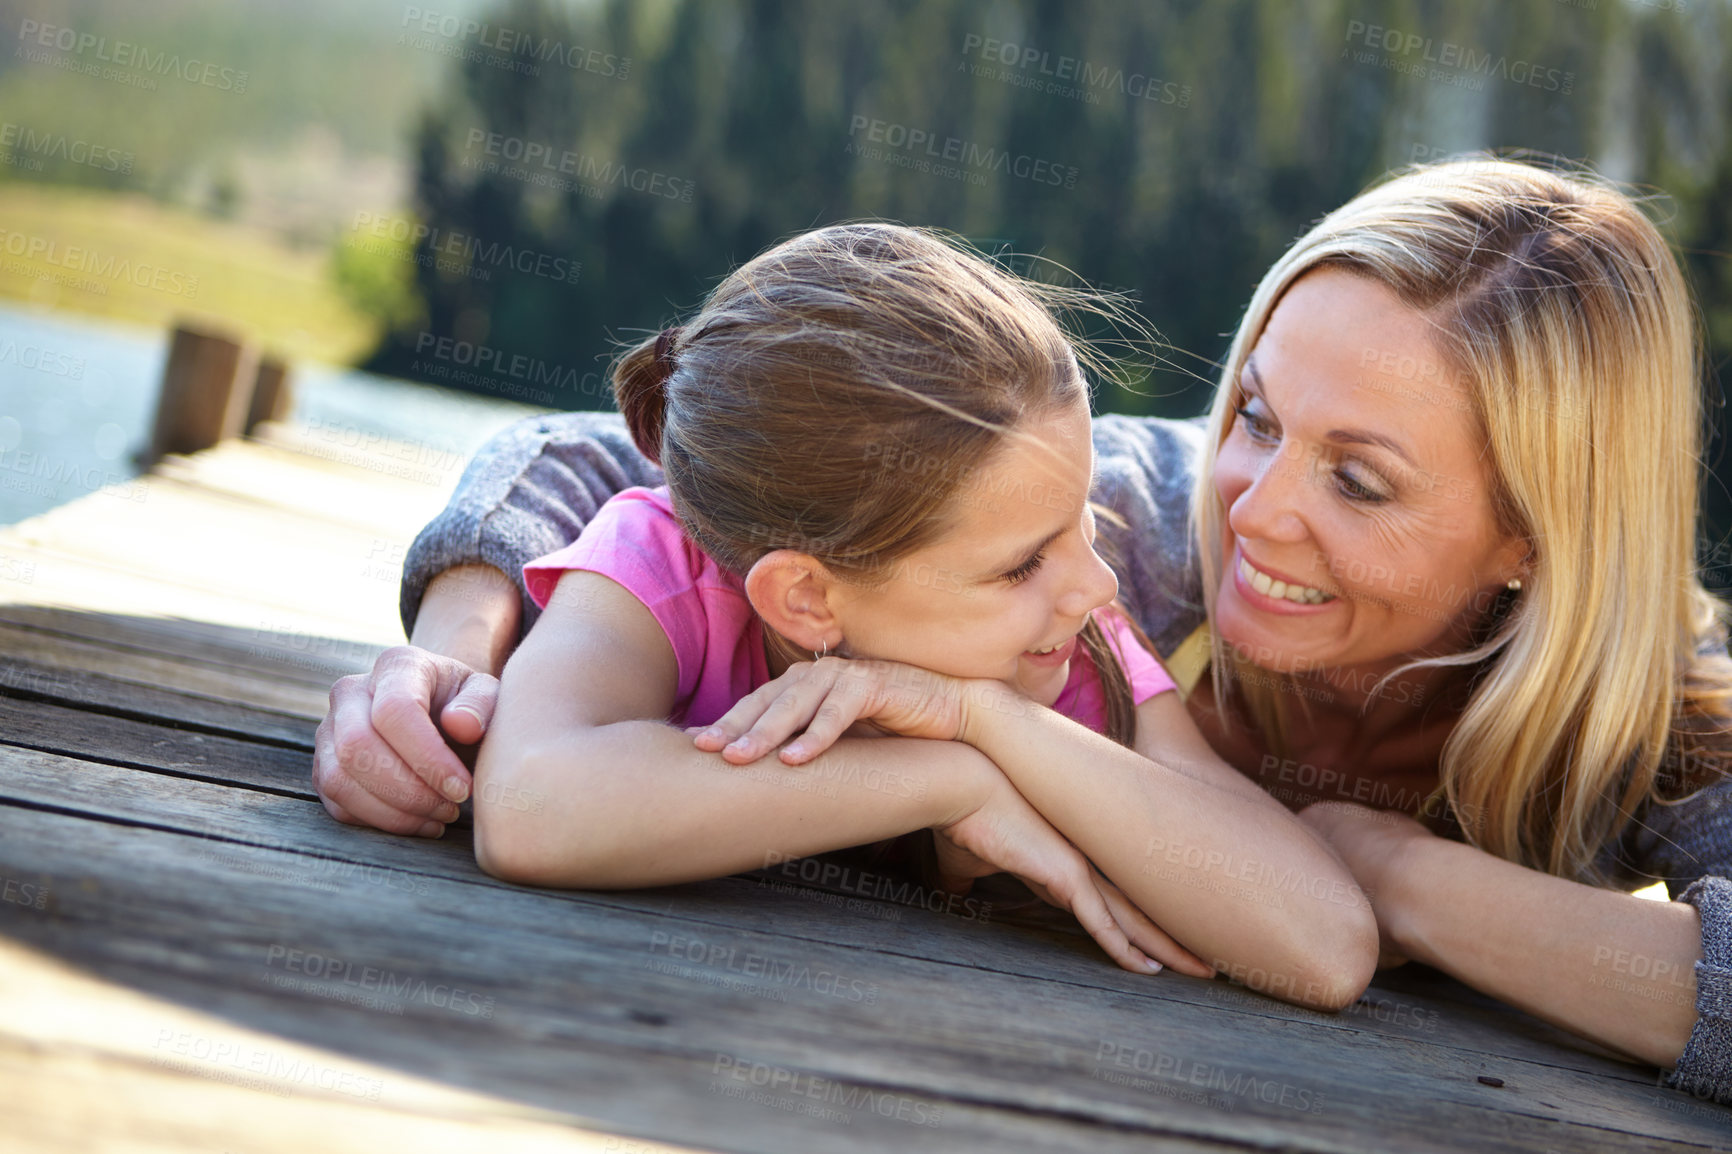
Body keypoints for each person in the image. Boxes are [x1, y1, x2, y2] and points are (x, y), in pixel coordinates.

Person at [312, 159, 1732, 1101]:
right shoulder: (1103, 513)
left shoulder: (1657, 714)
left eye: (1359, 479)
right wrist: (458, 651)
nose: (1252, 508)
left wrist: (1392, 869)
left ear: (1535, 534)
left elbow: (1323, 939)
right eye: (1253, 412)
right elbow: (644, 453)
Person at [466, 223, 1377, 1005]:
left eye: (1084, 522)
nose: (1098, 587)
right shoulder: (662, 567)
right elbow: (530, 807)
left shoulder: (1057, 654)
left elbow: (1325, 948)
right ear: (807, 597)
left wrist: (983, 718)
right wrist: (953, 780)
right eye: (1021, 562)